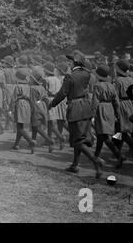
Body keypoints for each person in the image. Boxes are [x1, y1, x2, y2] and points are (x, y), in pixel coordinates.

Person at [49, 50, 102, 179]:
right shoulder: (87, 74)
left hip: (75, 109)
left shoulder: (70, 76)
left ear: (75, 62)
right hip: (85, 107)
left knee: (77, 141)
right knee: (80, 139)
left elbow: (63, 93)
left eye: (70, 61)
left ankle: (96, 160)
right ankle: (75, 165)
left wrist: (52, 104)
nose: (68, 63)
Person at [90, 65, 125, 168]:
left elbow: (95, 101)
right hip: (110, 109)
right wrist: (117, 114)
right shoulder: (111, 85)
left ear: (98, 75)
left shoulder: (97, 86)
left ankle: (119, 155)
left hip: (101, 109)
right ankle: (95, 156)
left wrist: (92, 114)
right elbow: (116, 101)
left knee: (104, 136)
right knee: (101, 135)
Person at [112, 59, 133, 156]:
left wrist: (116, 111)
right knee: (125, 129)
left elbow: (116, 98)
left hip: (121, 105)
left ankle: (118, 149)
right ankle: (118, 149)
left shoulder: (118, 81)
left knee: (120, 128)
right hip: (130, 104)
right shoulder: (131, 79)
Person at [10, 68, 36, 153]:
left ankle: (30, 141)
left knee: (19, 127)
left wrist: (10, 109)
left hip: (20, 105)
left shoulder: (17, 86)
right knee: (20, 126)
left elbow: (13, 98)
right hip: (27, 105)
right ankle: (16, 144)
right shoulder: (29, 87)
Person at [29, 69, 54, 153]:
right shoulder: (42, 87)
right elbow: (46, 99)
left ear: (33, 79)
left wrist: (31, 110)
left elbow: (32, 101)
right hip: (42, 107)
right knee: (34, 127)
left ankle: (49, 140)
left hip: (35, 108)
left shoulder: (32, 88)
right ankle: (33, 146)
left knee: (36, 127)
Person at [44, 62, 66, 150]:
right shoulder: (57, 79)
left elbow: (45, 91)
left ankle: (58, 139)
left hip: (49, 100)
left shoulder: (46, 79)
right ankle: (58, 143)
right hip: (57, 100)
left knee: (50, 123)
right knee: (55, 123)